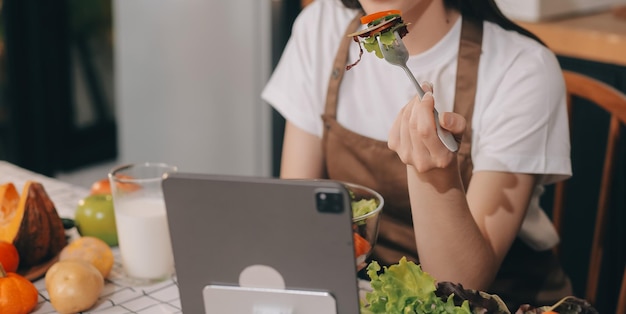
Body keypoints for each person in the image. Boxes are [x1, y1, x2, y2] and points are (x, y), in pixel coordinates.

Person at [261, 0, 572, 308]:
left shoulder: (522, 67)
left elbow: (461, 286)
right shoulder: (321, 26)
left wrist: (436, 176)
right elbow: (298, 218)